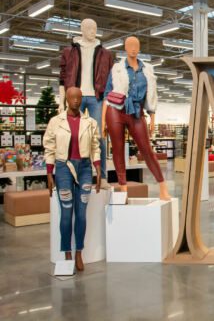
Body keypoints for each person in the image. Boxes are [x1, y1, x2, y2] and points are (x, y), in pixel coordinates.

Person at [102, 36, 171, 200]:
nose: (133, 48)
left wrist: (153, 117)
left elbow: (152, 95)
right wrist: (103, 119)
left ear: (139, 48)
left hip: (137, 111)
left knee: (146, 150)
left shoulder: (147, 69)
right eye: (130, 45)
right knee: (118, 150)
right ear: (125, 48)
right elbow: (107, 94)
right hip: (116, 109)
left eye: (136, 45)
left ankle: (162, 186)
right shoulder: (117, 68)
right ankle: (123, 188)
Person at [44, 87, 101, 272]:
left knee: (82, 214)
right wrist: (49, 173)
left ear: (82, 99)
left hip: (84, 167)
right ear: (67, 99)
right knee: (66, 213)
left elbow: (95, 146)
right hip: (63, 168)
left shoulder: (90, 122)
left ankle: (79, 252)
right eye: (72, 97)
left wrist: (98, 170)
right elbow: (49, 146)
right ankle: (67, 252)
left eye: (79, 97)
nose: (76, 100)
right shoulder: (56, 121)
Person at [59, 18, 113, 188]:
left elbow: (111, 81)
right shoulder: (69, 51)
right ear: (81, 29)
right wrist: (61, 102)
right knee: (70, 136)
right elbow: (62, 78)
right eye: (89, 28)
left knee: (99, 138)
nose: (92, 30)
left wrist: (109, 104)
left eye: (95, 28)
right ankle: (70, 176)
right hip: (75, 96)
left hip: (97, 98)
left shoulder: (105, 54)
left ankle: (102, 177)